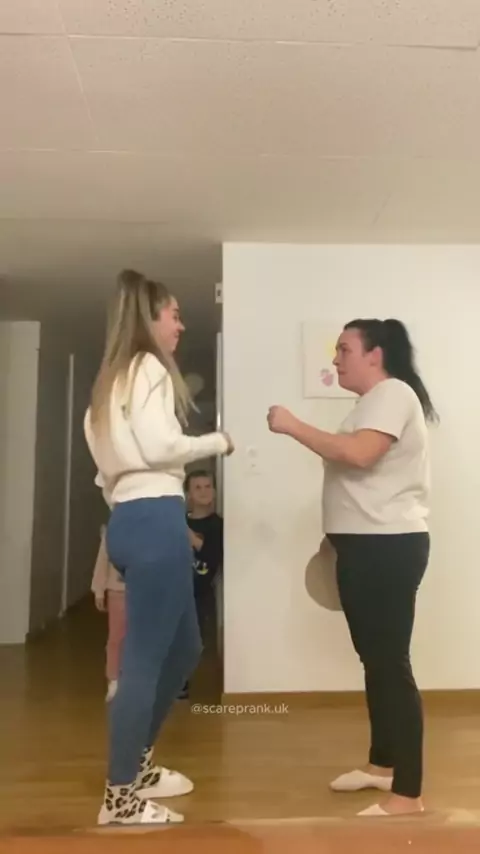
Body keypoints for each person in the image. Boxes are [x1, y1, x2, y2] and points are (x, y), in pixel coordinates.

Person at [267, 318, 437, 818]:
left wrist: (293, 425)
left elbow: (360, 455)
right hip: (365, 547)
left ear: (374, 355)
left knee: (389, 664)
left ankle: (408, 794)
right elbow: (361, 480)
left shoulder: (393, 393)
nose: (336, 359)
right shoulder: (371, 403)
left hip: (387, 549)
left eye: (344, 349)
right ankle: (383, 765)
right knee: (375, 662)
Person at [84, 269, 234, 826]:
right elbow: (160, 444)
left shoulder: (105, 388)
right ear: (150, 319)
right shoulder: (148, 368)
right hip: (153, 518)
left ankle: (137, 762)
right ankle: (120, 796)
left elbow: (105, 475)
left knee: (186, 647)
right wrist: (218, 441)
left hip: (128, 518)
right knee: (143, 663)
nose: (180, 325)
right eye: (174, 314)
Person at [179, 470, 223, 699]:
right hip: (176, 590)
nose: (204, 491)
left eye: (208, 486)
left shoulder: (218, 525)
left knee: (195, 641)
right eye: (198, 487)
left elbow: (211, 555)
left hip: (201, 593)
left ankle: (181, 679)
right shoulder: (180, 521)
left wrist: (189, 535)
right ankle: (177, 684)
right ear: (188, 494)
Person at [91, 523, 126, 702]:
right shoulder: (112, 531)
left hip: (144, 591)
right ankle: (114, 680)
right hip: (117, 591)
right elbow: (103, 559)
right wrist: (99, 589)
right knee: (116, 637)